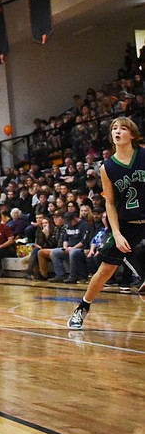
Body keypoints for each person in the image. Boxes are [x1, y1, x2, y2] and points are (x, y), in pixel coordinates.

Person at [69, 117, 145, 328]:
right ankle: (82, 307)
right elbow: (110, 203)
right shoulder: (107, 167)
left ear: (132, 134)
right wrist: (117, 233)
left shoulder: (143, 155)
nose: (117, 131)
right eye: (114, 129)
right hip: (126, 224)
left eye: (122, 128)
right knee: (106, 270)